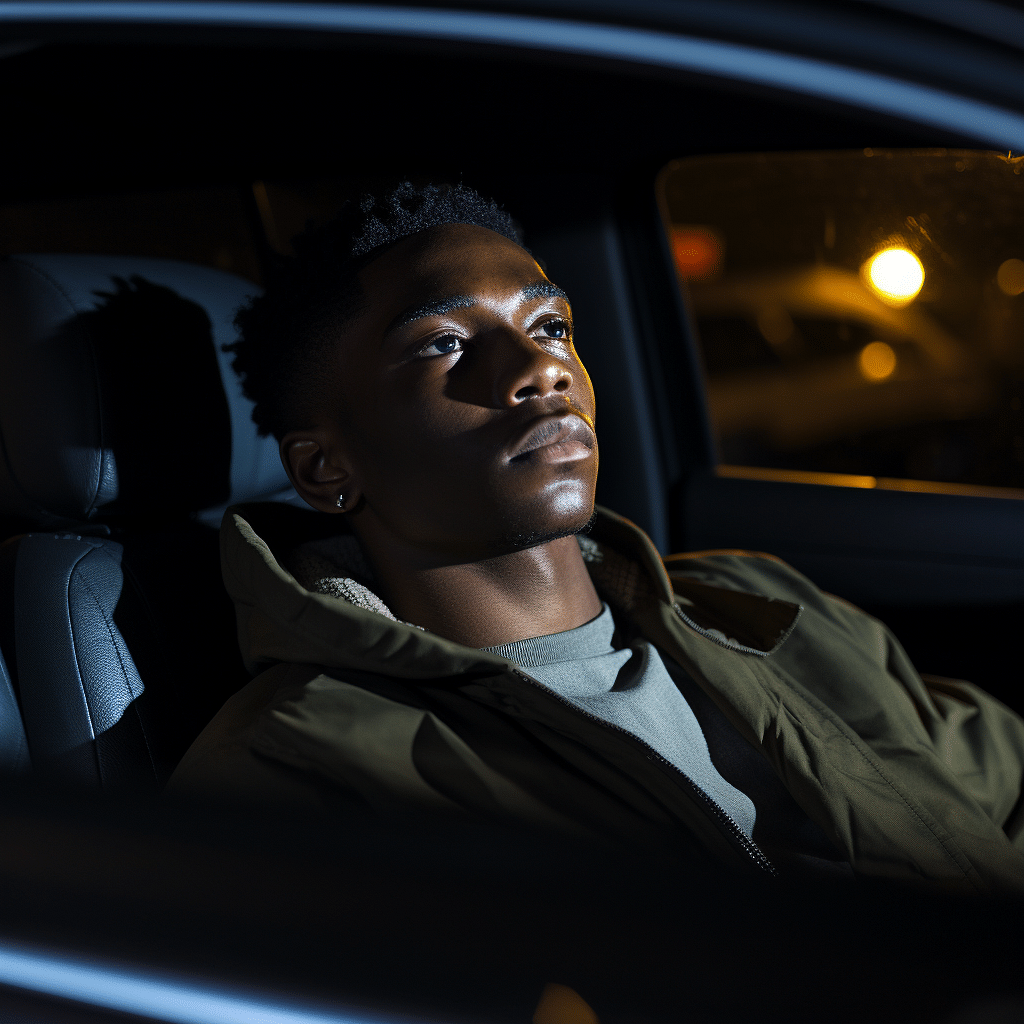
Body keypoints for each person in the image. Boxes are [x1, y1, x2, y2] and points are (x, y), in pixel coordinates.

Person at [167, 182, 1024, 894]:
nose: (541, 369)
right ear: (325, 469)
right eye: (443, 342)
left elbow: (999, 777)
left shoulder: (765, 606)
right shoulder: (294, 769)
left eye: (549, 328)